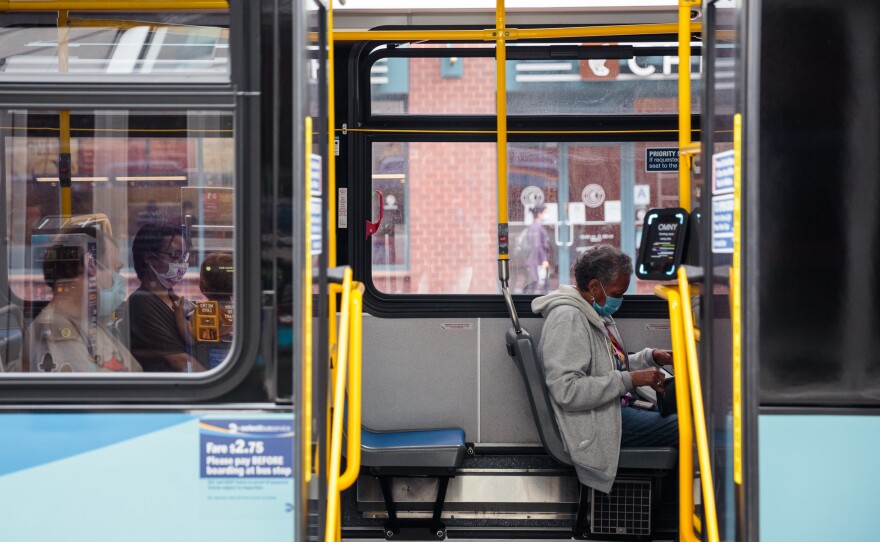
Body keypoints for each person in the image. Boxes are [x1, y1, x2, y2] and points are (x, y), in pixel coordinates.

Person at [531, 245, 676, 494]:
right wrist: (629, 380)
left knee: (685, 412)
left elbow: (610, 363)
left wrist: (650, 358)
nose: (620, 300)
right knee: (685, 428)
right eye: (617, 293)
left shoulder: (593, 312)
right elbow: (567, 391)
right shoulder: (569, 319)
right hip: (594, 422)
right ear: (595, 287)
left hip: (610, 409)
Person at [25, 227, 142, 373]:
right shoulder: (56, 328)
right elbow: (87, 391)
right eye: (116, 270)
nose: (118, 281)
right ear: (90, 266)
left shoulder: (90, 324)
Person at [126, 223, 205, 372]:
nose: (181, 264)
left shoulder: (171, 298)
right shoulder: (143, 303)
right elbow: (181, 362)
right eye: (175, 256)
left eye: (184, 256)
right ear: (149, 258)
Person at [524, 204, 550, 293]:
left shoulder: (534, 226)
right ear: (539, 214)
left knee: (537, 283)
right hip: (537, 260)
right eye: (545, 213)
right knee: (538, 283)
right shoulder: (536, 227)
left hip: (535, 259)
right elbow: (537, 245)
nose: (546, 215)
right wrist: (544, 260)